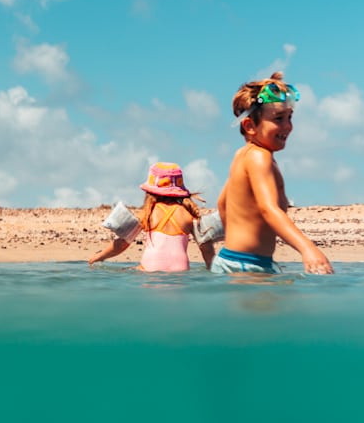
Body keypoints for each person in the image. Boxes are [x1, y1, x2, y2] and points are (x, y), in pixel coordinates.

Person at [212, 72, 333, 275]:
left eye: (289, 117)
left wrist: (235, 242)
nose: (287, 126)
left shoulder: (242, 155)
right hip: (247, 265)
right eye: (278, 119)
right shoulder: (260, 158)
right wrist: (308, 249)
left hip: (230, 260)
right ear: (250, 126)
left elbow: (222, 204)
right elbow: (269, 210)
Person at [88, 163, 216, 271]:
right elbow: (206, 248)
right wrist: (212, 269)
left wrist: (99, 257)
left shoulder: (148, 213)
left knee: (128, 270)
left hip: (150, 268)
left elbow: (122, 244)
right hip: (180, 270)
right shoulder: (187, 214)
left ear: (150, 191)